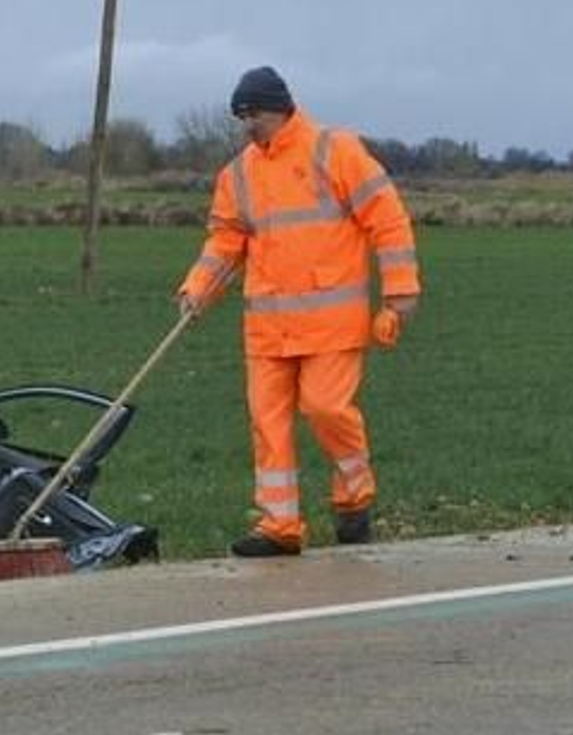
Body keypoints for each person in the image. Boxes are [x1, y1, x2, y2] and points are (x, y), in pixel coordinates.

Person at [176, 66, 421, 557]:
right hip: (267, 328)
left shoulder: (336, 150)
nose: (248, 126)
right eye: (241, 117)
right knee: (268, 425)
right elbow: (225, 242)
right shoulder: (237, 174)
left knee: (326, 409)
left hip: (331, 323)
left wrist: (400, 292)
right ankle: (279, 526)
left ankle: (354, 498)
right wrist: (197, 289)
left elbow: (388, 220)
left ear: (281, 109)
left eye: (255, 115)